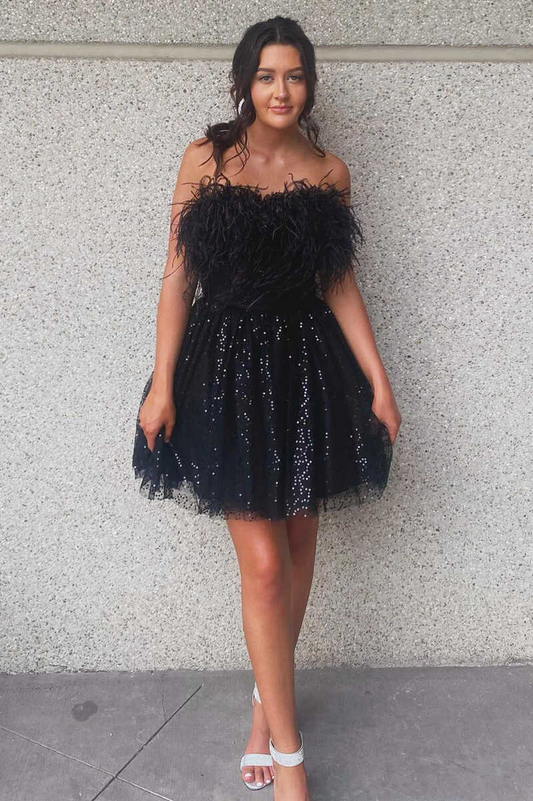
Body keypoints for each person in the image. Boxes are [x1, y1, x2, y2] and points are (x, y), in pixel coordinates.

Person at [132, 15, 401, 801]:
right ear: (244, 82)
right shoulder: (205, 158)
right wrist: (161, 382)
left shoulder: (328, 172)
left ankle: (263, 706)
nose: (280, 90)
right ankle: (289, 759)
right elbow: (177, 277)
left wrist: (378, 380)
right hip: (222, 371)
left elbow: (338, 282)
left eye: (293, 75)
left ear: (308, 84)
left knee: (299, 542)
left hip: (305, 371)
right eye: (266, 76)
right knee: (263, 565)